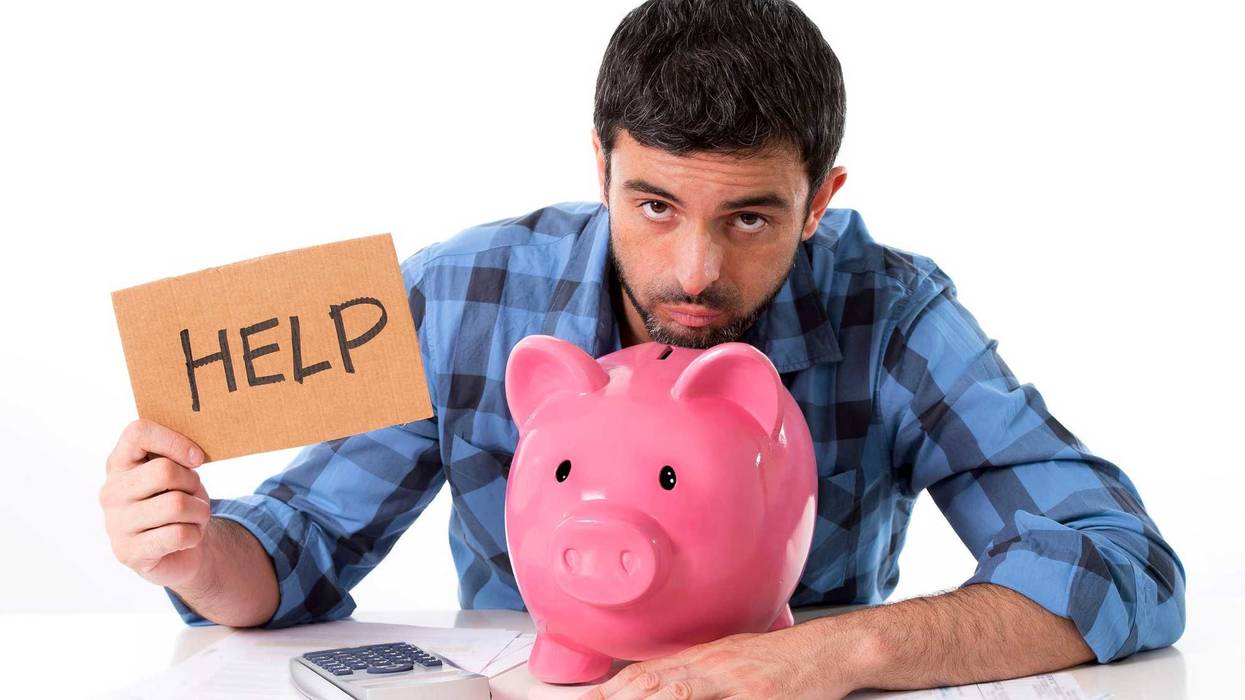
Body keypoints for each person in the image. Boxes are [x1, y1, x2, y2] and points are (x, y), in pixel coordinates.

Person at [98, 1, 1184, 697]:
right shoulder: (466, 293)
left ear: (822, 202)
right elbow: (292, 556)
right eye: (654, 205)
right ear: (601, 166)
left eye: (751, 218)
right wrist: (194, 553)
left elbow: (1124, 561)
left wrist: (836, 653)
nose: (695, 271)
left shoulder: (889, 313)